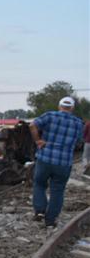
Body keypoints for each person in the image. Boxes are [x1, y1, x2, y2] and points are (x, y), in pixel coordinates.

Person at [30, 96, 85, 227]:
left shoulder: (50, 115)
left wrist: (38, 140)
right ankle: (50, 220)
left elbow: (32, 125)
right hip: (64, 162)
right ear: (72, 108)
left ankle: (40, 210)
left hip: (45, 158)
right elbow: (79, 141)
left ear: (59, 106)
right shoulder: (78, 123)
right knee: (58, 190)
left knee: (39, 184)